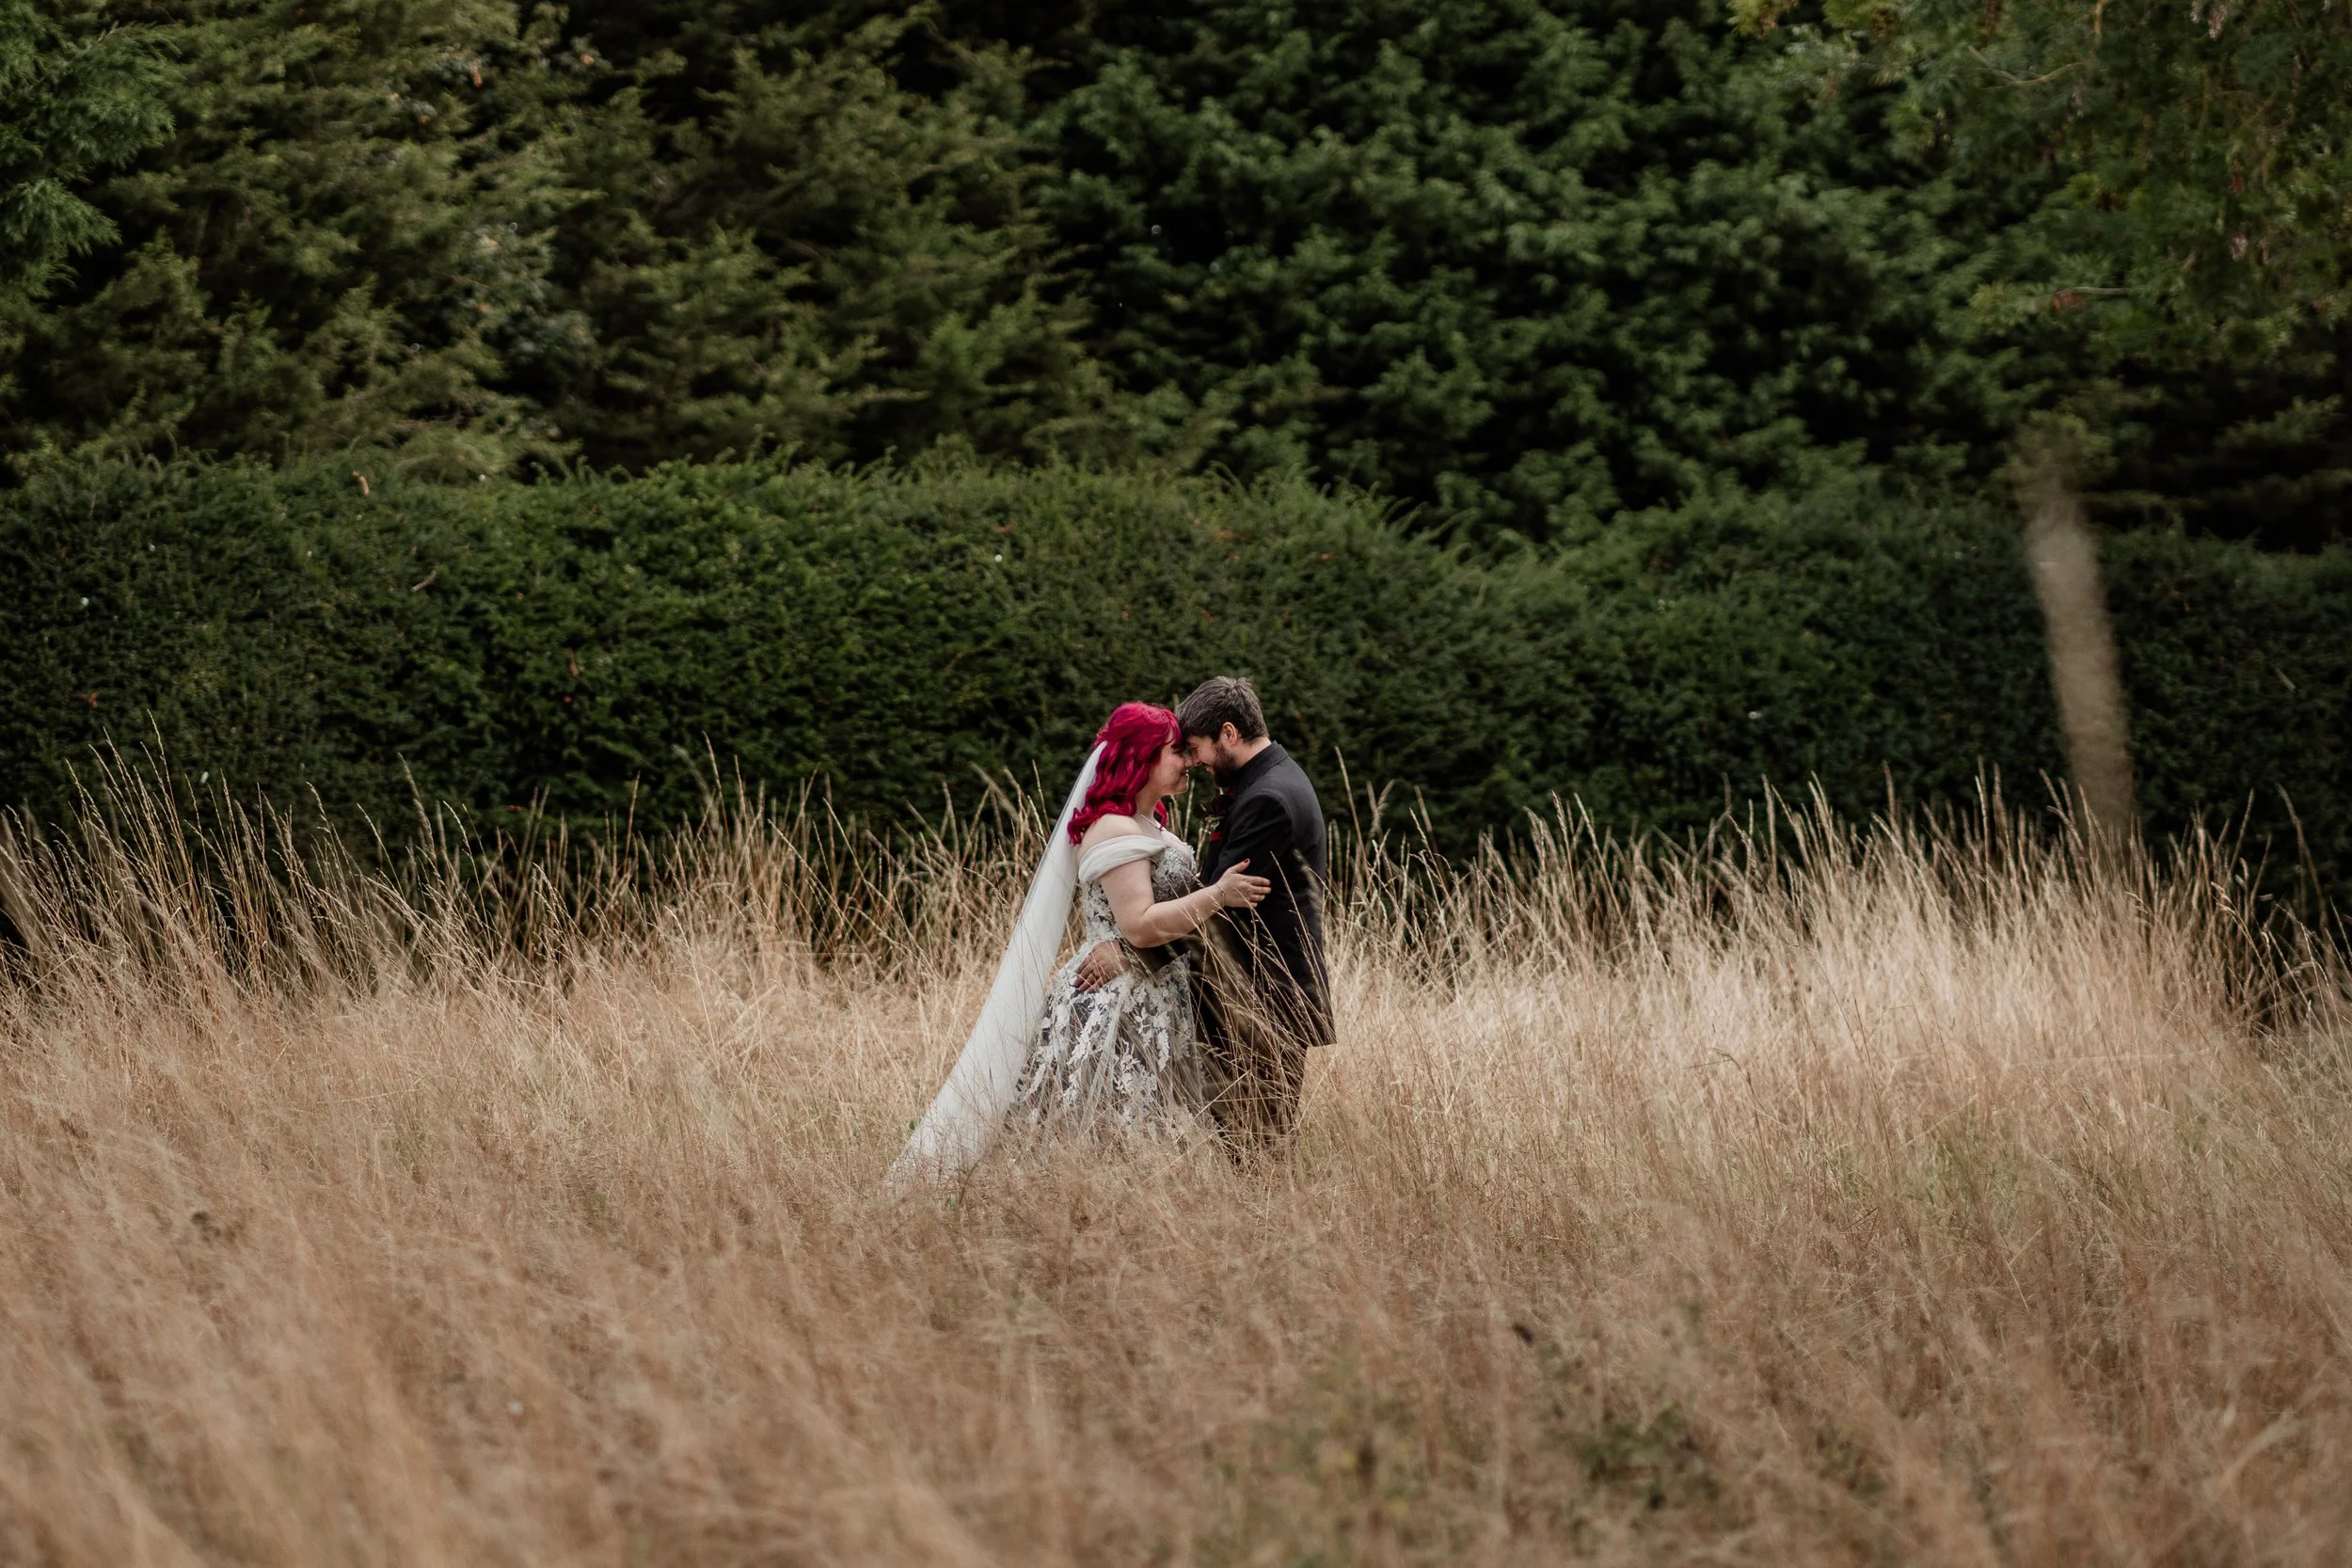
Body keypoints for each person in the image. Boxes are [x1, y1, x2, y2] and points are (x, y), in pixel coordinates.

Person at [887, 703, 1267, 1183]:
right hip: (1116, 1003)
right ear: (1142, 758)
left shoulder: (1151, 826)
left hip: (1156, 995)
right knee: (1106, 1130)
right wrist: (1217, 895)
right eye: (1176, 752)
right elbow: (1140, 926)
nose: (1188, 761)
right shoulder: (1113, 828)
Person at [1174, 675, 1333, 1151]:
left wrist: (1132, 954)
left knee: (1255, 1147)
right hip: (1257, 993)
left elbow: (1216, 910)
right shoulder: (1273, 779)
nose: (1192, 761)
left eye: (1196, 748)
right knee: (1252, 1143)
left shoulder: (1267, 798)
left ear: (1228, 733)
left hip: (1262, 996)